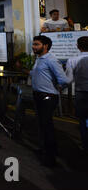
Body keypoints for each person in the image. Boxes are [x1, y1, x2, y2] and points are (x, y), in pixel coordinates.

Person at [30, 35, 70, 167]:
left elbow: (63, 80)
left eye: (36, 44)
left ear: (45, 46)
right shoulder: (39, 58)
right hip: (38, 95)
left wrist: (59, 88)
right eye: (34, 44)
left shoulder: (51, 60)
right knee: (42, 125)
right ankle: (45, 149)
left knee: (47, 126)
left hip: (48, 97)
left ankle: (51, 157)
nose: (34, 46)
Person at [65, 36, 88, 151]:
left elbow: (69, 80)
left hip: (81, 93)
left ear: (78, 46)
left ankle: (85, 145)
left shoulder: (72, 60)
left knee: (83, 120)